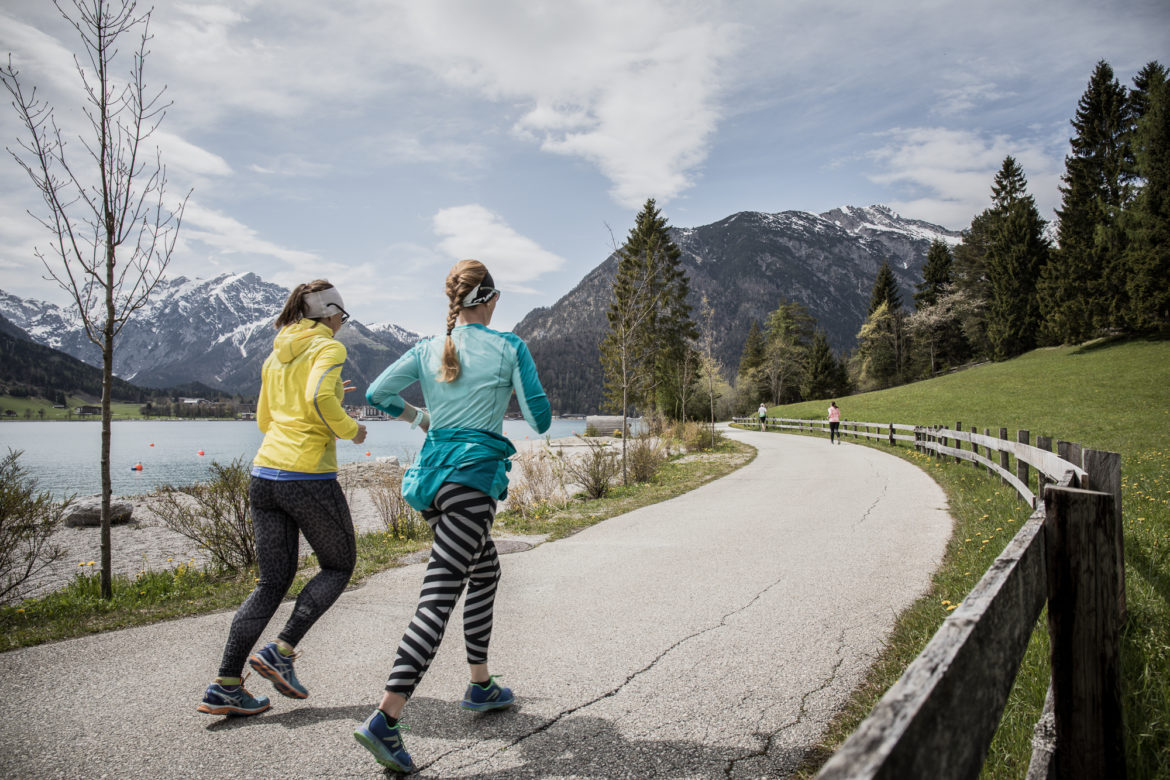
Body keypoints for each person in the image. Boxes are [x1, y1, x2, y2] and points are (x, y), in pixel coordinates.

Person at [354, 259, 551, 773]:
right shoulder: (510, 347)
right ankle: (386, 718)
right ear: (486, 298)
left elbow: (377, 395)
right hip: (472, 479)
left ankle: (481, 684)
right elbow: (542, 420)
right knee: (439, 592)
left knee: (485, 570)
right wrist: (511, 388)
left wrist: (423, 417)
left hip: (432, 481)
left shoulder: (426, 348)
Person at [196, 280, 367, 717]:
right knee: (339, 564)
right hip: (306, 474)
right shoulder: (328, 349)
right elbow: (318, 397)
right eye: (341, 318)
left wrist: (314, 410)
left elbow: (264, 419)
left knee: (272, 582)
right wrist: (349, 428)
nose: (341, 326)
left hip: (264, 474)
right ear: (328, 313)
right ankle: (281, 651)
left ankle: (225, 685)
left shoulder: (275, 356)